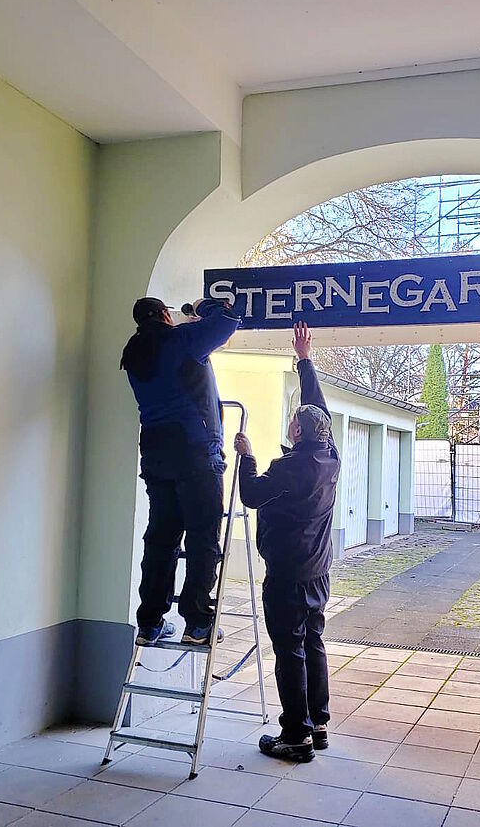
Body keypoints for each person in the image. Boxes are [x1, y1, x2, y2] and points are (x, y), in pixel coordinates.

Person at [233, 322, 339, 763]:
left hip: (288, 578)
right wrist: (304, 360)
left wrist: (247, 456)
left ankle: (294, 736)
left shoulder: (287, 468)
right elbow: (318, 409)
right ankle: (317, 724)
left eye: (293, 420)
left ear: (296, 433)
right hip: (318, 574)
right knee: (313, 641)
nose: (292, 420)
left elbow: (251, 495)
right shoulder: (329, 457)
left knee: (289, 649)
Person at [121, 295, 240, 646]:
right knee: (203, 538)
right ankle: (198, 622)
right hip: (194, 452)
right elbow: (227, 322)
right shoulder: (181, 341)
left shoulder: (133, 352)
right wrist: (203, 307)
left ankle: (150, 622)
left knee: (161, 538)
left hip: (157, 453)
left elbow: (174, 371)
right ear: (163, 315)